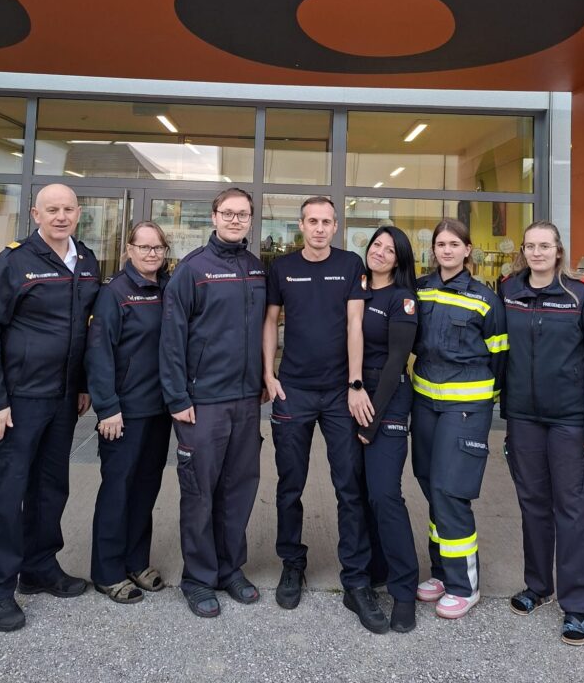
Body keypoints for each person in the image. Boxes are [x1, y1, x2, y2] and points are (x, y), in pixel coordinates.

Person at [0, 183, 100, 632]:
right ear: (35, 214)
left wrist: (81, 385)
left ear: (78, 213)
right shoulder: (12, 263)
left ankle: (39, 568)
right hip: (18, 401)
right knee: (8, 495)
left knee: (50, 489)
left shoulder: (86, 261)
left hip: (63, 399)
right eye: (52, 209)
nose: (61, 216)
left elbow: (83, 331)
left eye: (68, 209)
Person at [263, 196, 389, 634]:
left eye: (326, 222)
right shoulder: (281, 268)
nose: (319, 228)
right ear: (301, 225)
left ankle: (356, 579)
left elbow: (355, 324)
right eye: (312, 221)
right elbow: (271, 321)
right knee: (289, 485)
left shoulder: (350, 264)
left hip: (338, 394)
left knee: (349, 487)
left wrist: (355, 384)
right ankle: (292, 563)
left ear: (336, 226)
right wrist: (269, 374)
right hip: (293, 391)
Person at [500, 220, 584, 647]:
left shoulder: (582, 295)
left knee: (572, 509)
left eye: (544, 246)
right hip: (523, 418)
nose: (537, 253)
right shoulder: (509, 292)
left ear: (558, 250)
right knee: (532, 504)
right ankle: (537, 586)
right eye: (530, 246)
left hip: (570, 421)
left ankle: (577, 606)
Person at [160, 188, 266, 619]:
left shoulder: (257, 268)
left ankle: (229, 569)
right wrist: (177, 397)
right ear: (214, 216)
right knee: (200, 493)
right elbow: (171, 339)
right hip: (202, 402)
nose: (236, 220)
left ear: (251, 219)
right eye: (228, 213)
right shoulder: (192, 270)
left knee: (238, 490)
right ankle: (199, 578)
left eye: (243, 214)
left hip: (246, 399)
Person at [411, 217, 508, 619]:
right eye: (441, 244)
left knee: (450, 490)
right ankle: (440, 572)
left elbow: (499, 356)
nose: (447, 250)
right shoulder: (421, 289)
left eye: (454, 244)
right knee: (430, 483)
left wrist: (483, 401)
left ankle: (464, 586)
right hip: (425, 402)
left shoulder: (485, 299)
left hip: (465, 407)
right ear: (433, 250)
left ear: (468, 250)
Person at [85, 221, 171, 604]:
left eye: (158, 247)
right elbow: (99, 353)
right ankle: (107, 572)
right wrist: (107, 407)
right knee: (117, 490)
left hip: (159, 410)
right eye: (144, 247)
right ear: (129, 250)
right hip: (123, 412)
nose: (152, 254)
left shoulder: (168, 289)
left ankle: (136, 561)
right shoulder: (115, 293)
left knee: (145, 489)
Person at [357, 226, 420, 633]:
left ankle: (404, 589)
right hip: (353, 394)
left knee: (384, 493)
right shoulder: (357, 288)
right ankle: (375, 568)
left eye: (389, 249)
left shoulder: (402, 298)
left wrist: (372, 420)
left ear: (399, 260)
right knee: (361, 493)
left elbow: (397, 359)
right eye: (376, 244)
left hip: (387, 398)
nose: (380, 252)